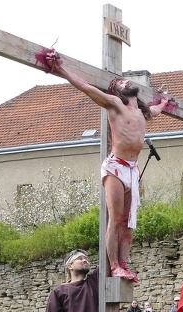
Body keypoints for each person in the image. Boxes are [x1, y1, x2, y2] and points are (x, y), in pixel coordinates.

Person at [44, 51, 171, 282]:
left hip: (132, 169)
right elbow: (86, 87)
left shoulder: (142, 112)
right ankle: (114, 265)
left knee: (129, 222)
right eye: (121, 82)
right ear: (118, 92)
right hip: (116, 166)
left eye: (126, 80)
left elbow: (157, 109)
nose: (126, 81)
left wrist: (163, 101)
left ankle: (124, 263)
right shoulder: (114, 104)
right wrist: (60, 69)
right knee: (116, 217)